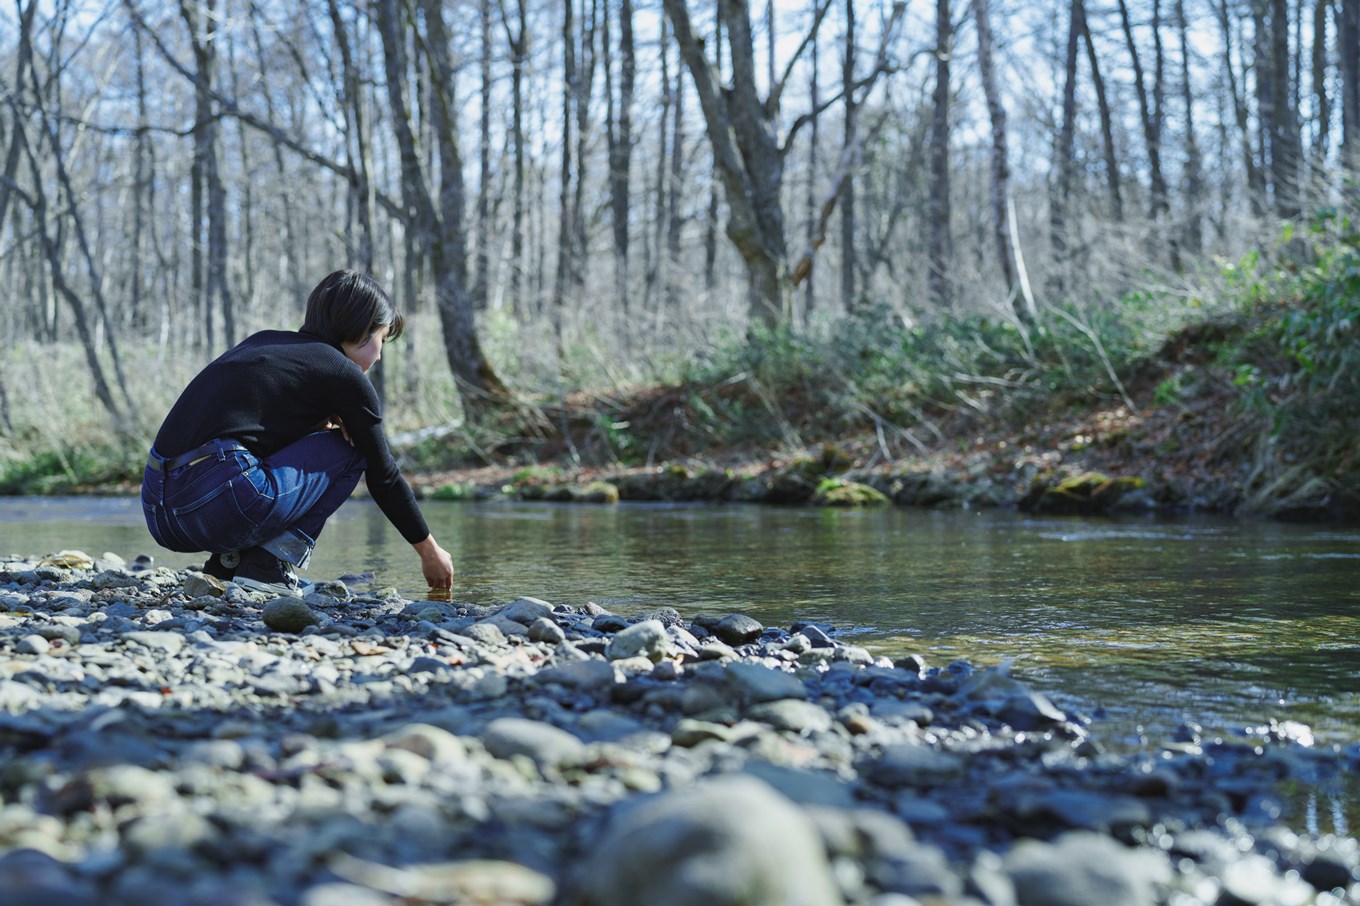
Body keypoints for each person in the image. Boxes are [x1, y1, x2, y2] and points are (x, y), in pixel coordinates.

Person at [141, 269, 455, 597]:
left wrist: (317, 422)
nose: (378, 355)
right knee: (356, 448)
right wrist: (429, 551)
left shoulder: (263, 341)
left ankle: (229, 565)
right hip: (220, 501)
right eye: (382, 339)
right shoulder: (344, 373)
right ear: (363, 328)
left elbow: (248, 430)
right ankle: (267, 566)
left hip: (159, 513)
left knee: (256, 455)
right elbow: (384, 476)